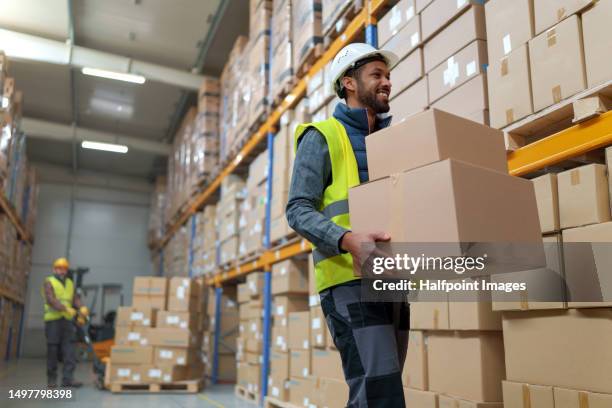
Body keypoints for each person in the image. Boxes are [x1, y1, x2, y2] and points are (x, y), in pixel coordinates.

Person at [286, 43, 410, 407]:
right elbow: (297, 209)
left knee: (380, 390)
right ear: (349, 83)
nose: (386, 82)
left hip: (391, 276)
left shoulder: (392, 141)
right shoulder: (321, 135)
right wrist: (347, 239)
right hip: (347, 281)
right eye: (377, 75)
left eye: (387, 75)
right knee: (379, 393)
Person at [42, 257, 88, 388]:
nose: (62, 271)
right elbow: (51, 300)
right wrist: (66, 308)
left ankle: (68, 379)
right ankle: (51, 380)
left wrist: (81, 308)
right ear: (54, 269)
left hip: (67, 321)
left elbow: (74, 299)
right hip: (53, 320)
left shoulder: (69, 283)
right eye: (59, 268)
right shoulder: (49, 282)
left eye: (64, 269)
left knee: (70, 349)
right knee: (53, 350)